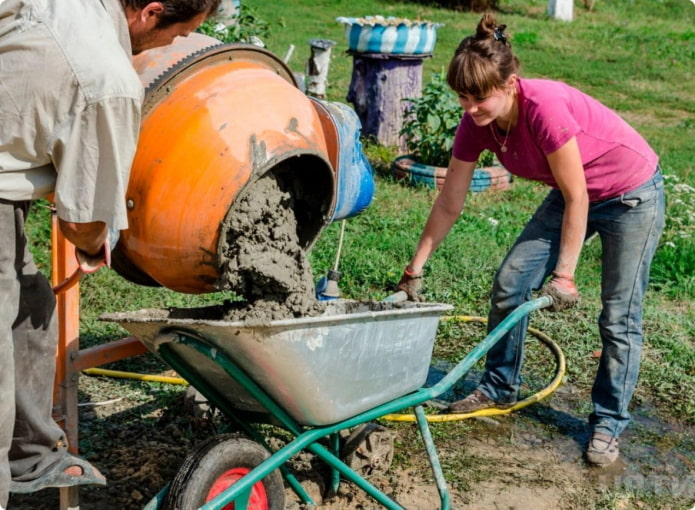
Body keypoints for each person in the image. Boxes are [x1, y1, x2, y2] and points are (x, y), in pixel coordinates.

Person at [397, 13, 664, 467]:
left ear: (510, 84)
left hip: (629, 193)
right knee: (511, 283)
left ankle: (608, 422)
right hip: (572, 189)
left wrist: (565, 274)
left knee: (618, 317)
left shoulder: (543, 108)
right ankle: (499, 387)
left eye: (479, 97)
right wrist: (413, 269)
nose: (470, 108)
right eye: (462, 97)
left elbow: (580, 196)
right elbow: (449, 201)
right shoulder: (475, 122)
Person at [0, 0, 220, 506]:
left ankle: (30, 454)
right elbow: (83, 220)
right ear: (150, 12)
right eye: (179, 33)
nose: (175, 44)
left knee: (31, 303)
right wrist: (97, 243)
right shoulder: (108, 78)